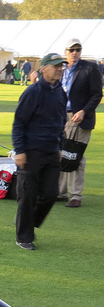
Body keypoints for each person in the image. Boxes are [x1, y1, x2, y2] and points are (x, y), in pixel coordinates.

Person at [12, 53, 68, 250]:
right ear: (43, 68)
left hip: (52, 151)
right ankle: (24, 237)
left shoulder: (61, 93)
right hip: (31, 151)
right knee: (28, 195)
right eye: (55, 66)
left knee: (51, 193)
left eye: (61, 66)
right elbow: (19, 123)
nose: (59, 69)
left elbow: (61, 122)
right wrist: (20, 151)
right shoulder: (32, 92)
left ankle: (27, 221)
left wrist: (60, 147)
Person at [57, 38, 103, 208]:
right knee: (61, 152)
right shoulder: (60, 68)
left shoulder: (89, 68)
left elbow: (97, 94)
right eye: (72, 50)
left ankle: (76, 195)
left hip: (81, 118)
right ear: (66, 51)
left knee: (76, 155)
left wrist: (84, 111)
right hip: (61, 117)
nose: (75, 53)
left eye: (78, 49)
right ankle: (60, 192)